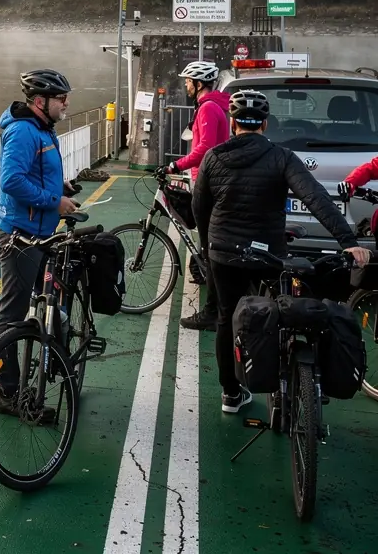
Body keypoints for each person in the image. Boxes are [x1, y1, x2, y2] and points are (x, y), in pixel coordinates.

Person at [192, 89, 370, 415]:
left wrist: (208, 247)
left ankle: (231, 395)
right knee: (278, 313)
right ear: (265, 123)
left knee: (225, 317)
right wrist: (347, 240)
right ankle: (281, 382)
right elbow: (316, 198)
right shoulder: (281, 157)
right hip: (268, 254)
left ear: (232, 123)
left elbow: (200, 208)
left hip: (224, 253)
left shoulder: (214, 158)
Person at [0, 68, 79, 414]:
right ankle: (6, 391)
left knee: (38, 300)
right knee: (11, 313)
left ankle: (37, 362)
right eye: (61, 98)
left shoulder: (43, 128)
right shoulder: (25, 132)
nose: (66, 103)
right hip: (19, 235)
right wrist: (53, 201)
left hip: (39, 233)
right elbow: (12, 181)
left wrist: (61, 188)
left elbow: (35, 175)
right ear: (40, 101)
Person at [158, 61, 230, 332]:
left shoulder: (208, 108)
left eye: (189, 81)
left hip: (207, 182)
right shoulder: (213, 106)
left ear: (199, 84)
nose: (186, 85)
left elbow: (205, 149)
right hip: (212, 180)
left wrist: (175, 165)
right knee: (208, 244)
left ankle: (212, 312)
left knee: (209, 248)